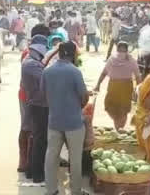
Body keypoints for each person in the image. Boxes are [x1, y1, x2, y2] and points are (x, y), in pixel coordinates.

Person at [42, 41, 88, 195]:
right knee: (75, 159)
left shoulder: (47, 71)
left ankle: (51, 190)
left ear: (59, 53)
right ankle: (75, 191)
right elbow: (84, 96)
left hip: (54, 120)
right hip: (74, 122)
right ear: (73, 54)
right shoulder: (75, 72)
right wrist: (78, 107)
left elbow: (43, 94)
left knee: (51, 156)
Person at [95, 41, 140, 130]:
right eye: (121, 51)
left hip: (121, 86)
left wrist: (138, 90)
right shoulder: (115, 59)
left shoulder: (128, 60)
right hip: (119, 86)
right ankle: (119, 125)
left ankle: (119, 127)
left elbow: (104, 73)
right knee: (115, 108)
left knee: (121, 110)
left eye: (123, 51)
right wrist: (98, 85)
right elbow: (138, 76)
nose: (121, 54)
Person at [21, 38, 48, 184]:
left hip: (37, 103)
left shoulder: (30, 62)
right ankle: (38, 173)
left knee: (37, 138)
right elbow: (45, 78)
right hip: (39, 105)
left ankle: (31, 170)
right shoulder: (31, 64)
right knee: (40, 140)